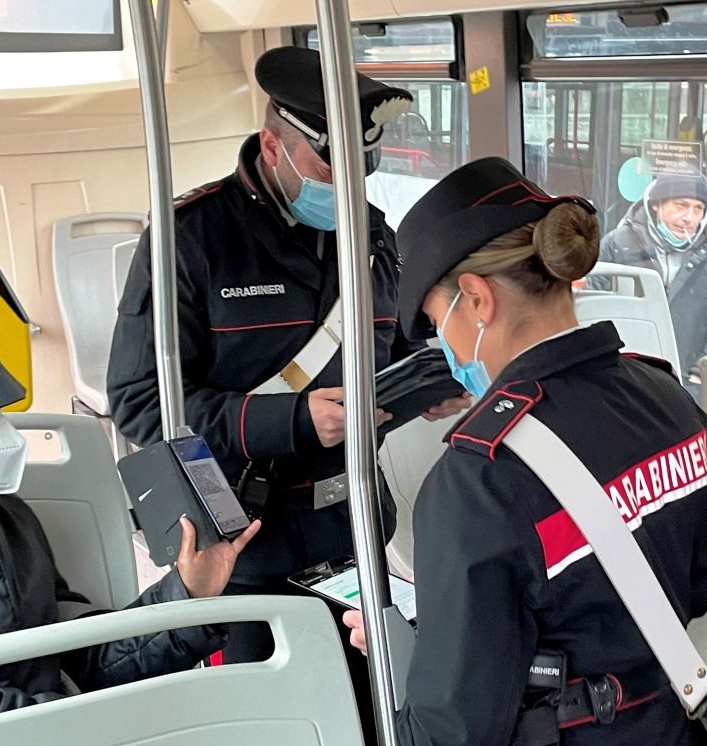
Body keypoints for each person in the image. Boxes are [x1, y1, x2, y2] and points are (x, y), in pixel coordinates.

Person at [343, 157, 707, 746]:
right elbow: (698, 589)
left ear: (476, 298)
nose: (443, 342)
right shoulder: (671, 400)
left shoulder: (478, 481)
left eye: (439, 320)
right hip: (675, 737)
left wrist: (406, 652)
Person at [106, 46, 470, 664]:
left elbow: (396, 343)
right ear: (273, 147)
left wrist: (431, 382)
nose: (347, 192)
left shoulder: (370, 235)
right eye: (331, 174)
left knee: (372, 708)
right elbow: (140, 403)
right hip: (245, 539)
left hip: (354, 523)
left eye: (361, 173)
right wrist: (293, 421)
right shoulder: (188, 239)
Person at [0, 314, 260, 718]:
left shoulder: (7, 519)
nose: (1, 435)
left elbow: (83, 656)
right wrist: (85, 722)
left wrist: (185, 595)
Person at [598, 172, 707, 393]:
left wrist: (704, 372)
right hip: (625, 381)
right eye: (681, 205)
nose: (689, 217)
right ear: (657, 205)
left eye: (698, 209)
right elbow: (594, 310)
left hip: (689, 385)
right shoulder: (618, 245)